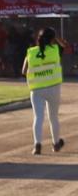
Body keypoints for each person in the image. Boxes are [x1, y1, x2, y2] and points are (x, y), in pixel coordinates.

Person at [24, 27, 67, 155]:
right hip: (53, 87)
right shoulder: (55, 50)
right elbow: (65, 45)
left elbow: (23, 70)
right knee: (53, 117)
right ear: (53, 39)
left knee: (38, 117)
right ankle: (56, 144)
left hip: (36, 89)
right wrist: (57, 37)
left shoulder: (31, 52)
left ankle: (37, 144)